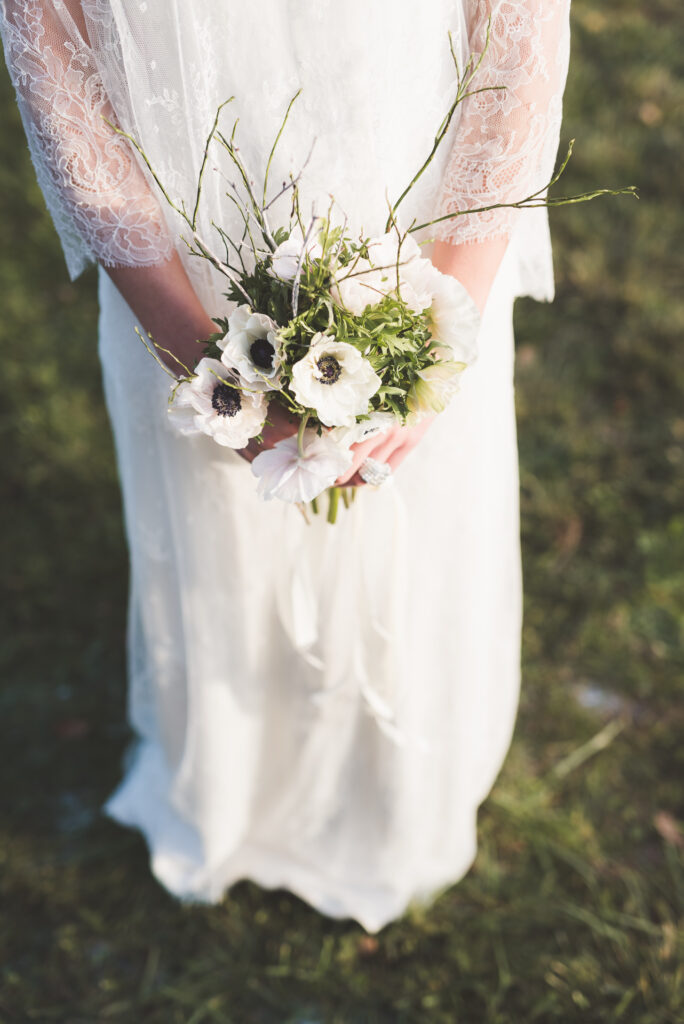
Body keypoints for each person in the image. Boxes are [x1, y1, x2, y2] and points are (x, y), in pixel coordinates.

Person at [0, 0, 571, 932]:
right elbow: (56, 59)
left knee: (413, 528)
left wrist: (438, 334)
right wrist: (203, 359)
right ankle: (241, 776)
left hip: (418, 225)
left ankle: (395, 783)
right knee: (221, 527)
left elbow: (519, 34)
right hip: (191, 244)